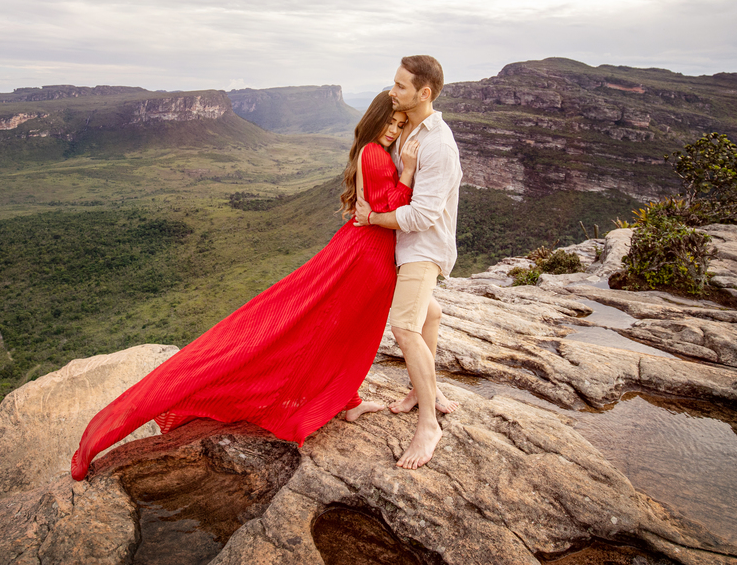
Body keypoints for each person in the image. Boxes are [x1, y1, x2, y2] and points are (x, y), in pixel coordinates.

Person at [70, 91, 418, 480]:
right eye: (390, 121)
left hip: (366, 255)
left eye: (400, 124)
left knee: (340, 333)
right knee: (333, 332)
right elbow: (392, 207)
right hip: (364, 258)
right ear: (374, 119)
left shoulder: (373, 152)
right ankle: (340, 400)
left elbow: (380, 209)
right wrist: (407, 173)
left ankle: (346, 399)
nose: (394, 129)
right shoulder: (374, 152)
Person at [354, 55, 462, 469]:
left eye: (400, 86)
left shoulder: (438, 144)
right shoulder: (407, 129)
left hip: (423, 247)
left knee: (403, 326)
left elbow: (422, 217)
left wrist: (373, 218)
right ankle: (422, 392)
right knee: (428, 316)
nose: (392, 91)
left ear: (424, 93)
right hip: (402, 245)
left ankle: (429, 425)